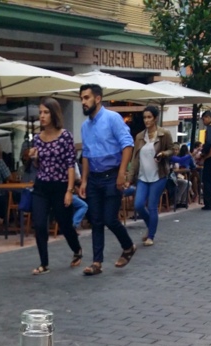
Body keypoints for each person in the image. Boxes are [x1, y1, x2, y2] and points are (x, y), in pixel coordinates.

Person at [79, 83, 136, 276]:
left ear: (97, 98)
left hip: (112, 175)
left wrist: (122, 173)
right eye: (81, 99)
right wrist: (84, 181)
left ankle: (128, 246)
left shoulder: (113, 118)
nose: (83, 102)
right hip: (94, 178)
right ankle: (96, 263)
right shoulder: (84, 126)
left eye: (86, 98)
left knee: (110, 219)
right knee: (95, 220)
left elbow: (127, 145)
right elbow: (86, 154)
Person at [27, 98, 82, 275]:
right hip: (42, 186)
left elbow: (70, 165)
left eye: (46, 112)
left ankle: (77, 249)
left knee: (65, 224)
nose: (42, 116)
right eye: (40, 112)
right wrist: (34, 158)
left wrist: (69, 190)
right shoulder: (37, 138)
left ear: (54, 114)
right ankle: (44, 264)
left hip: (61, 186)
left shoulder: (65, 136)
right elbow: (38, 166)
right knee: (40, 224)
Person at [126, 105, 173, 246]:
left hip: (158, 176)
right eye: (144, 117)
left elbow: (172, 149)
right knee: (139, 205)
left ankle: (151, 235)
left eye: (149, 117)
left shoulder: (164, 134)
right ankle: (150, 225)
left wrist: (164, 153)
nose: (146, 120)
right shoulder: (140, 136)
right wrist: (129, 179)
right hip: (143, 177)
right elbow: (135, 159)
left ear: (155, 118)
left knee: (152, 206)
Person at [200, 109, 211, 210]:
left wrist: (203, 152)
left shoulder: (210, 127)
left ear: (208, 118)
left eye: (204, 119)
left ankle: (208, 203)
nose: (204, 122)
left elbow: (209, 142)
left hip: (210, 157)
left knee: (207, 180)